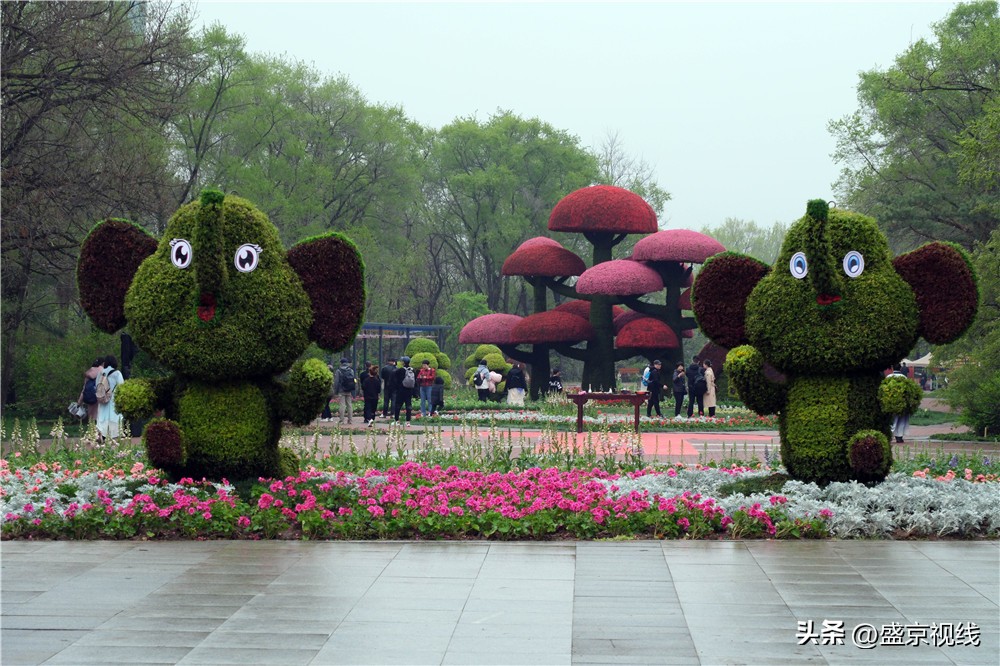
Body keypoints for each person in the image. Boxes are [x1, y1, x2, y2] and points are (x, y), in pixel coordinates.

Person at [96, 355, 125, 441]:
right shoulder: (117, 373)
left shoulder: (101, 373)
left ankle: (102, 436)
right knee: (114, 417)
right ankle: (113, 438)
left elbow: (97, 385)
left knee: (102, 417)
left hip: (102, 399)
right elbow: (121, 387)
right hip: (113, 400)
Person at [77, 358, 103, 424]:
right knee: (100, 418)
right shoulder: (103, 372)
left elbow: (84, 389)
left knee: (91, 419)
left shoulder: (89, 374)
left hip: (90, 398)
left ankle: (91, 429)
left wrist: (79, 401)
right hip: (100, 399)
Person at [889, 363, 910, 443]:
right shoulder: (904, 378)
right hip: (902, 402)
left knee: (892, 420)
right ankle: (899, 437)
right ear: (900, 368)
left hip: (890, 402)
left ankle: (889, 435)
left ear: (892, 368)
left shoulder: (889, 377)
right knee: (901, 420)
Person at [333, 357, 356, 425]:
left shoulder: (338, 371)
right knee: (349, 405)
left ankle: (341, 420)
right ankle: (350, 420)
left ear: (341, 363)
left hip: (341, 390)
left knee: (342, 405)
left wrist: (335, 391)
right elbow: (353, 380)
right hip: (349, 390)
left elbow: (336, 382)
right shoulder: (351, 370)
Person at [393, 356, 415, 425]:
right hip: (409, 391)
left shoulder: (400, 370)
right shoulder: (412, 370)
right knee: (408, 406)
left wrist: (396, 388)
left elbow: (395, 380)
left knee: (398, 405)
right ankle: (408, 421)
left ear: (403, 362)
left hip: (401, 391)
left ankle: (397, 420)